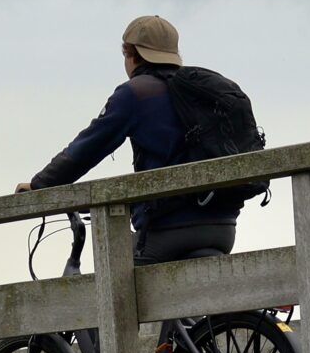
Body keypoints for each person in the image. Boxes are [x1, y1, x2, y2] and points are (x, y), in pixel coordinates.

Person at [16, 15, 261, 264]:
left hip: (166, 232)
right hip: (223, 227)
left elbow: (86, 149)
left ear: (131, 54)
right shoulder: (203, 89)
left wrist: (40, 185)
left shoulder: (135, 93)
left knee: (112, 283)